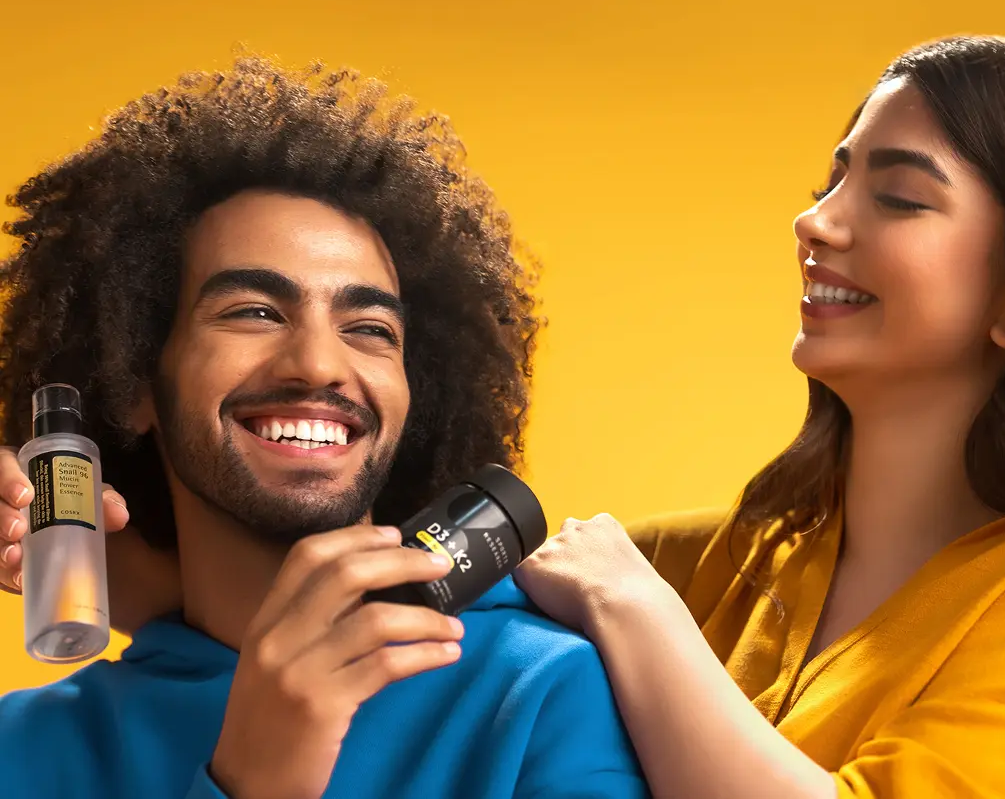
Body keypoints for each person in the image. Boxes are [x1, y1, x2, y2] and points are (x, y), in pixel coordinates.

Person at [511, 35, 1005, 798]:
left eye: (900, 198)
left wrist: (632, 612)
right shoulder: (742, 556)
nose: (813, 223)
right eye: (831, 182)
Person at [0, 58, 648, 799]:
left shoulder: (537, 691)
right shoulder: (24, 752)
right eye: (254, 311)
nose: (318, 364)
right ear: (134, 382)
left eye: (369, 328)